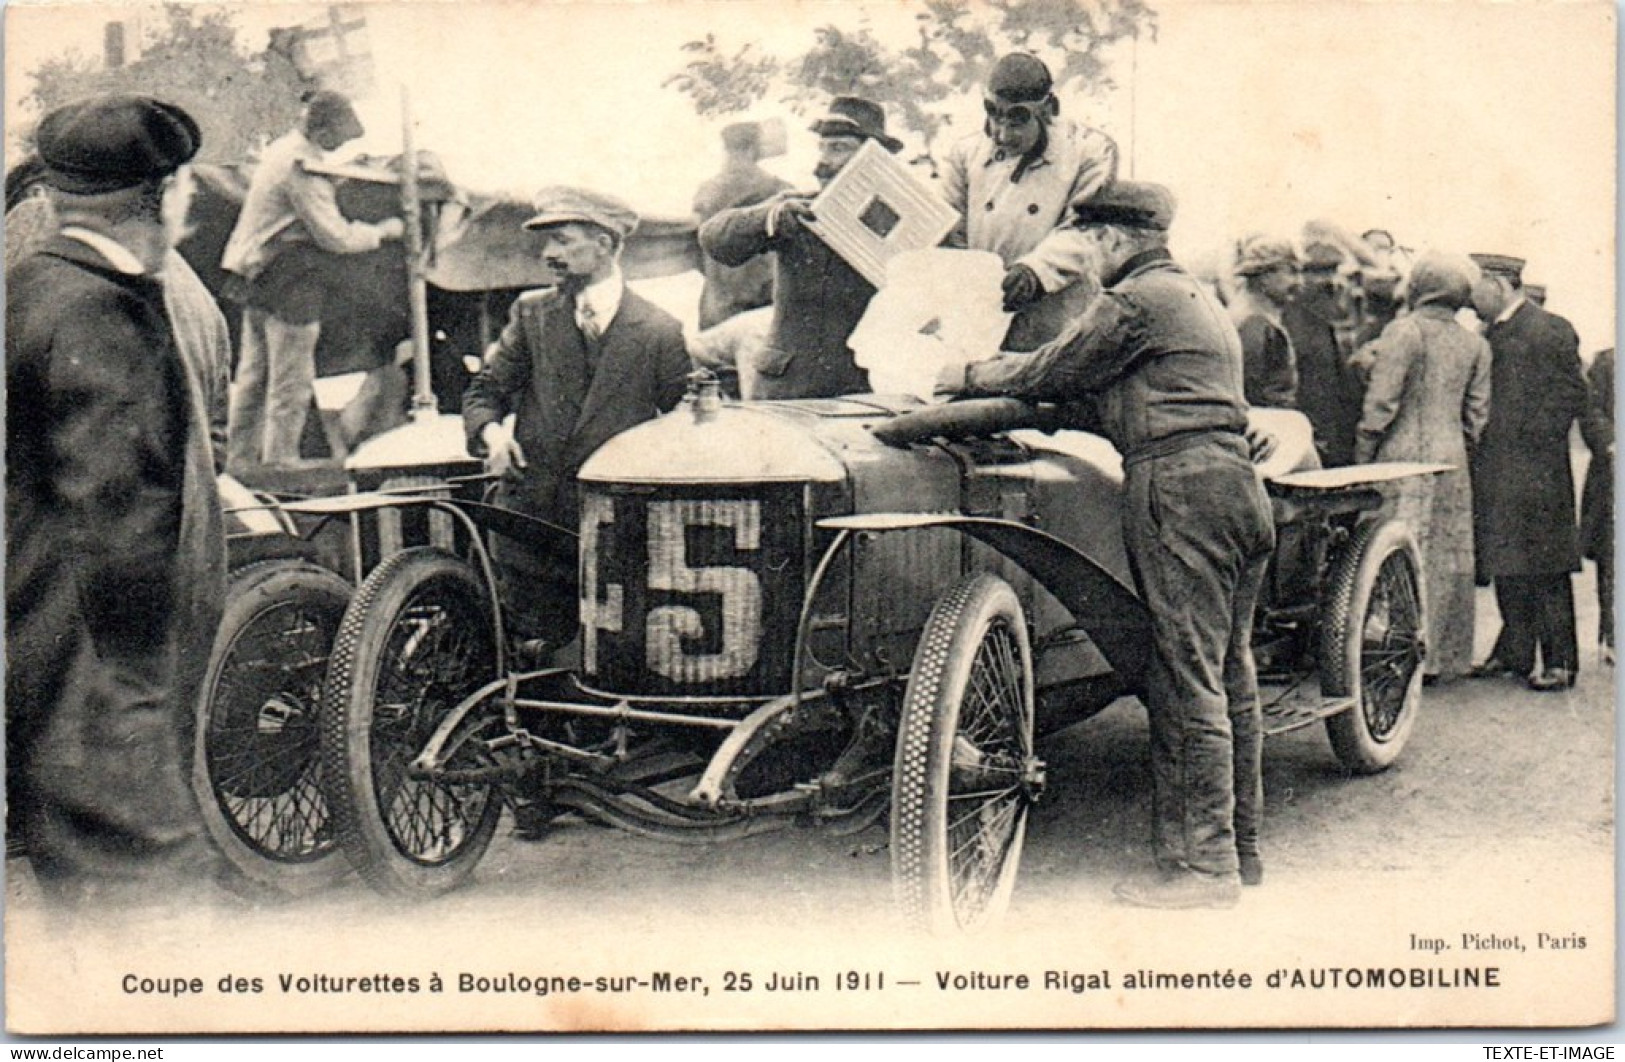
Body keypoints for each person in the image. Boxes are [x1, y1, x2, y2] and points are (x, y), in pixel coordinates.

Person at [938, 181, 1275, 908]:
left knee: (1183, 682)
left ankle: (1201, 873)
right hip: (1234, 490)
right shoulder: (1194, 302)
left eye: (1089, 245)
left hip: (1178, 491)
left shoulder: (1134, 301)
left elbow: (1051, 368)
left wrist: (962, 375)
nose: (1086, 262)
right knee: (1227, 677)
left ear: (1115, 241)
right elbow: (1094, 396)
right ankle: (1239, 851)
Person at [6, 95, 226, 906]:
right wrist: (139, 706)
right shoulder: (104, 309)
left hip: (40, 664)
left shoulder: (26, 288)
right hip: (103, 698)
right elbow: (120, 533)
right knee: (147, 925)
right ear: (163, 194)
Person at [462, 187, 691, 656]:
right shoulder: (531, 314)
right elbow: (486, 391)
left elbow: (684, 425)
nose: (549, 254)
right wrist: (492, 434)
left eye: (563, 241)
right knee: (530, 667)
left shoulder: (660, 330)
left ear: (604, 243)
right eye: (548, 243)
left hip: (617, 538)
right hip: (531, 529)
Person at [221, 90, 406, 470]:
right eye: (339, 137)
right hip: (288, 277)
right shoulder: (303, 165)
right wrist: (383, 231)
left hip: (255, 272)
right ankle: (281, 458)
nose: (340, 146)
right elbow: (334, 236)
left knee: (254, 375)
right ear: (322, 129)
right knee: (293, 373)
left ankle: (237, 458)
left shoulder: (282, 151)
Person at [698, 95, 900, 400]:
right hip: (788, 389)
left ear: (874, 160)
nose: (824, 161)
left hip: (865, 389)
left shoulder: (902, 222)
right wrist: (770, 217)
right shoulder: (795, 209)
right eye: (822, 147)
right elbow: (715, 239)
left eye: (839, 148)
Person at [1353, 252, 1492, 682]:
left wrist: (1363, 453)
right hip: (1451, 460)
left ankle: (1389, 650)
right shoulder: (1476, 344)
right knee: (1445, 558)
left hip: (1401, 456)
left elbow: (1382, 404)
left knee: (1394, 548)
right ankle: (1441, 657)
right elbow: (1477, 415)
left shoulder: (1404, 331)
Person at [938, 52, 1119, 351]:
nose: (1002, 135)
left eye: (1017, 122)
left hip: (1057, 316)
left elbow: (1088, 230)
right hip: (982, 313)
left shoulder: (1089, 151)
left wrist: (1036, 271)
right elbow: (947, 221)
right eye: (995, 117)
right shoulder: (966, 153)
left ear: (1048, 109)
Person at [1468, 253, 1588, 692]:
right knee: (1507, 560)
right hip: (1500, 467)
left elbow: (1572, 393)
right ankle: (1514, 652)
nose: (1468, 297)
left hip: (1538, 471)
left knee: (1546, 565)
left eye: (1474, 286)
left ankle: (1560, 662)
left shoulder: (1549, 327)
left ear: (1498, 284)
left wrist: (1531, 438)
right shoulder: (1491, 331)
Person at [692, 121, 791, 331]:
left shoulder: (707, 191)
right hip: (764, 297)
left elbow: (699, 246)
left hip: (718, 302)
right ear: (754, 148)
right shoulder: (779, 190)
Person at [1283, 240, 1364, 467]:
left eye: (1334, 271)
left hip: (1331, 434)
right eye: (1319, 273)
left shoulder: (1326, 320)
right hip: (1307, 435)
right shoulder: (1290, 322)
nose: (1330, 282)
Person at [1229, 235, 1301, 408]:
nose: (1298, 282)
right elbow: (1253, 395)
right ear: (1265, 275)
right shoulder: (1255, 324)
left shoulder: (1245, 314)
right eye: (1291, 271)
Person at [1578, 348, 1613, 664]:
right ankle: (1614, 636)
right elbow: (1590, 410)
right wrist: (1612, 444)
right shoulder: (1608, 362)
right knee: (1612, 559)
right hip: (1614, 475)